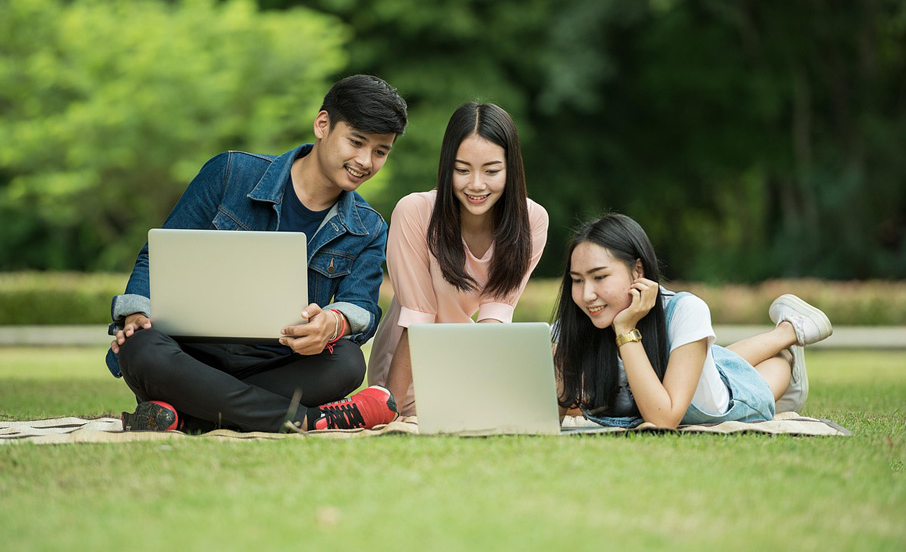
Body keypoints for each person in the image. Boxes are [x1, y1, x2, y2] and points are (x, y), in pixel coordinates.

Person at [107, 74, 408, 433]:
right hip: (188, 354)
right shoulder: (230, 172)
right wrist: (136, 313)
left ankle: (186, 413)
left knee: (346, 362)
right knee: (140, 348)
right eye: (356, 142)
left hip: (279, 362)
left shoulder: (369, 227)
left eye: (380, 151)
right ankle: (310, 420)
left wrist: (334, 323)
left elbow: (360, 306)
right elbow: (156, 257)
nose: (365, 160)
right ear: (322, 124)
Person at [553, 212, 833, 429]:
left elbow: (663, 420)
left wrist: (625, 329)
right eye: (577, 280)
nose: (587, 294)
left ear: (637, 271)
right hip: (699, 366)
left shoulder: (685, 310)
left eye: (600, 277)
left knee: (770, 367)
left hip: (723, 399)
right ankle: (787, 329)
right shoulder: (576, 323)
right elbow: (548, 414)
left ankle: (788, 338)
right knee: (714, 358)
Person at [367, 102, 549, 417]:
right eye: (462, 170)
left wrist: (483, 390)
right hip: (406, 365)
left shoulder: (532, 220)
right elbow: (417, 320)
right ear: (446, 166)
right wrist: (390, 412)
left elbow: (495, 318)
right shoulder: (415, 212)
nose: (476, 185)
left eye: (491, 171)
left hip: (471, 356)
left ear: (511, 169)